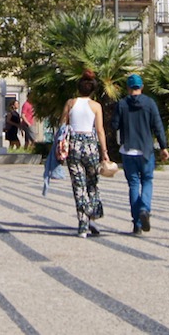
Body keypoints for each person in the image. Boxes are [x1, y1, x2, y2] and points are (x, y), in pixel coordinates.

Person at [116, 73, 169, 236]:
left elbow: (114, 124)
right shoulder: (150, 103)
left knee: (133, 184)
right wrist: (163, 146)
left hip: (128, 150)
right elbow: (158, 126)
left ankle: (137, 224)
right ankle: (144, 209)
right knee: (147, 180)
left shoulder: (122, 104)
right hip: (146, 149)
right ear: (142, 87)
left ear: (127, 87)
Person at [59, 70, 110, 238]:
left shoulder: (70, 103)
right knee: (92, 183)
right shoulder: (96, 106)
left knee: (78, 186)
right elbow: (100, 130)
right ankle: (93, 216)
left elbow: (62, 126)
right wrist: (104, 152)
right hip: (91, 147)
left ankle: (83, 224)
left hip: (74, 145)